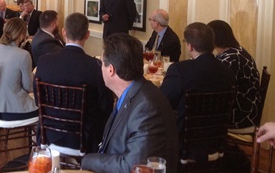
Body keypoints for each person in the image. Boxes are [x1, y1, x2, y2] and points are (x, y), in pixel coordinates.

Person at [81, 33, 179, 173]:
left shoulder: (146, 108)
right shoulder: (133, 93)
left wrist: (87, 160)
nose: (100, 68)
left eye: (101, 63)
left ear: (111, 70)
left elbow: (132, 167)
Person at [34, 13, 113, 152]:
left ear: (64, 32)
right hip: (84, 139)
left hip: (49, 134)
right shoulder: (96, 67)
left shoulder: (44, 62)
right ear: (87, 35)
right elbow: (106, 107)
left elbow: (37, 99)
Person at [160, 22, 235, 161]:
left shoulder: (180, 70)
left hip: (183, 143)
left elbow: (162, 103)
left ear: (190, 46)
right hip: (215, 142)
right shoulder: (227, 72)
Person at [207, 20, 260, 130]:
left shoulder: (230, 59)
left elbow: (216, 89)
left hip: (239, 114)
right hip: (247, 108)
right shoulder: (237, 51)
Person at [0, 17, 38, 120]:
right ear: (22, 35)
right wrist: (32, 75)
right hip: (13, 110)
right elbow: (29, 87)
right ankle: (36, 136)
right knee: (45, 109)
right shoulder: (23, 55)